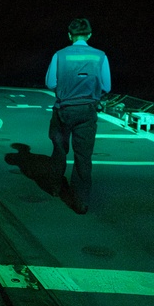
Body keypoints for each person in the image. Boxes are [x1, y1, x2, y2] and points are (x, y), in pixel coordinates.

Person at [45, 18, 111, 214]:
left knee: (59, 149)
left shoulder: (60, 55)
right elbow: (106, 86)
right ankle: (81, 201)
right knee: (83, 156)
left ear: (69, 35)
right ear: (89, 35)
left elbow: (50, 83)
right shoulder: (100, 56)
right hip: (87, 111)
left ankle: (55, 187)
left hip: (63, 110)